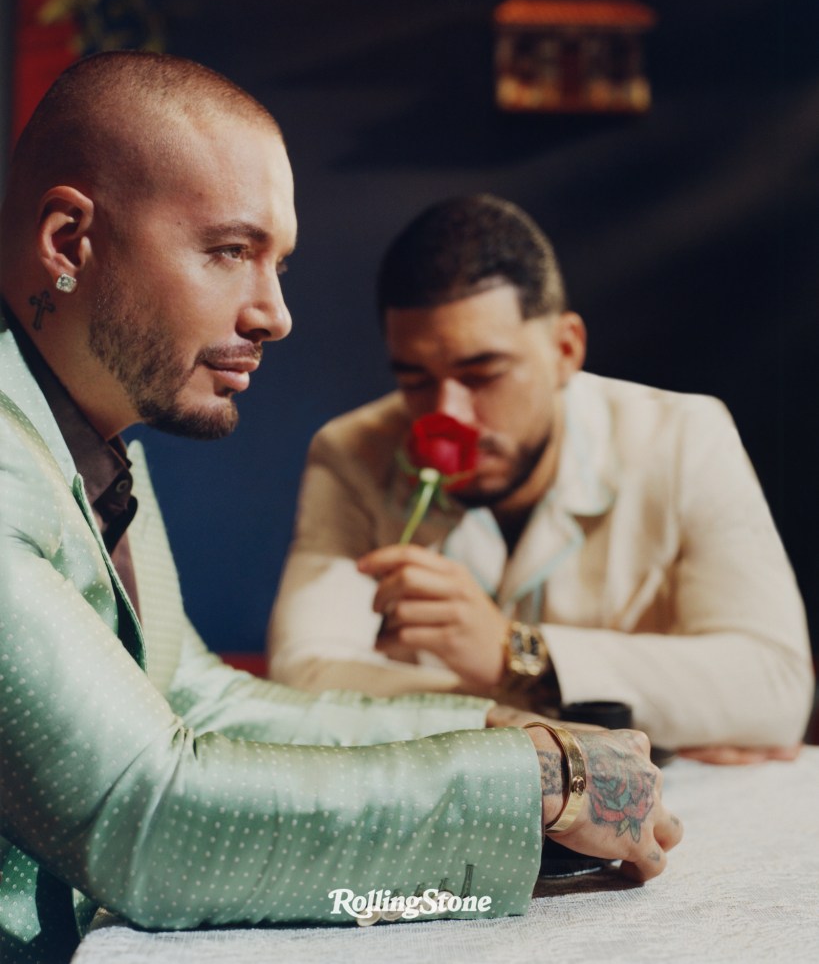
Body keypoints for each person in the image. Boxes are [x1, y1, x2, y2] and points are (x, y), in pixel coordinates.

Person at [0, 53, 681, 964]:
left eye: (277, 263)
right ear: (68, 240)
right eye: (230, 251)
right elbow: (146, 820)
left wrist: (490, 728)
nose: (275, 313)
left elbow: (198, 697)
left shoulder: (93, 435)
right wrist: (536, 782)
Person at [268, 194, 813, 758]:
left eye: (482, 374)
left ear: (565, 349)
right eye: (415, 380)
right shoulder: (351, 453)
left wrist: (517, 653)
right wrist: (562, 730)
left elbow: (775, 689)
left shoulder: (683, 438)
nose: (446, 417)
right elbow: (302, 679)